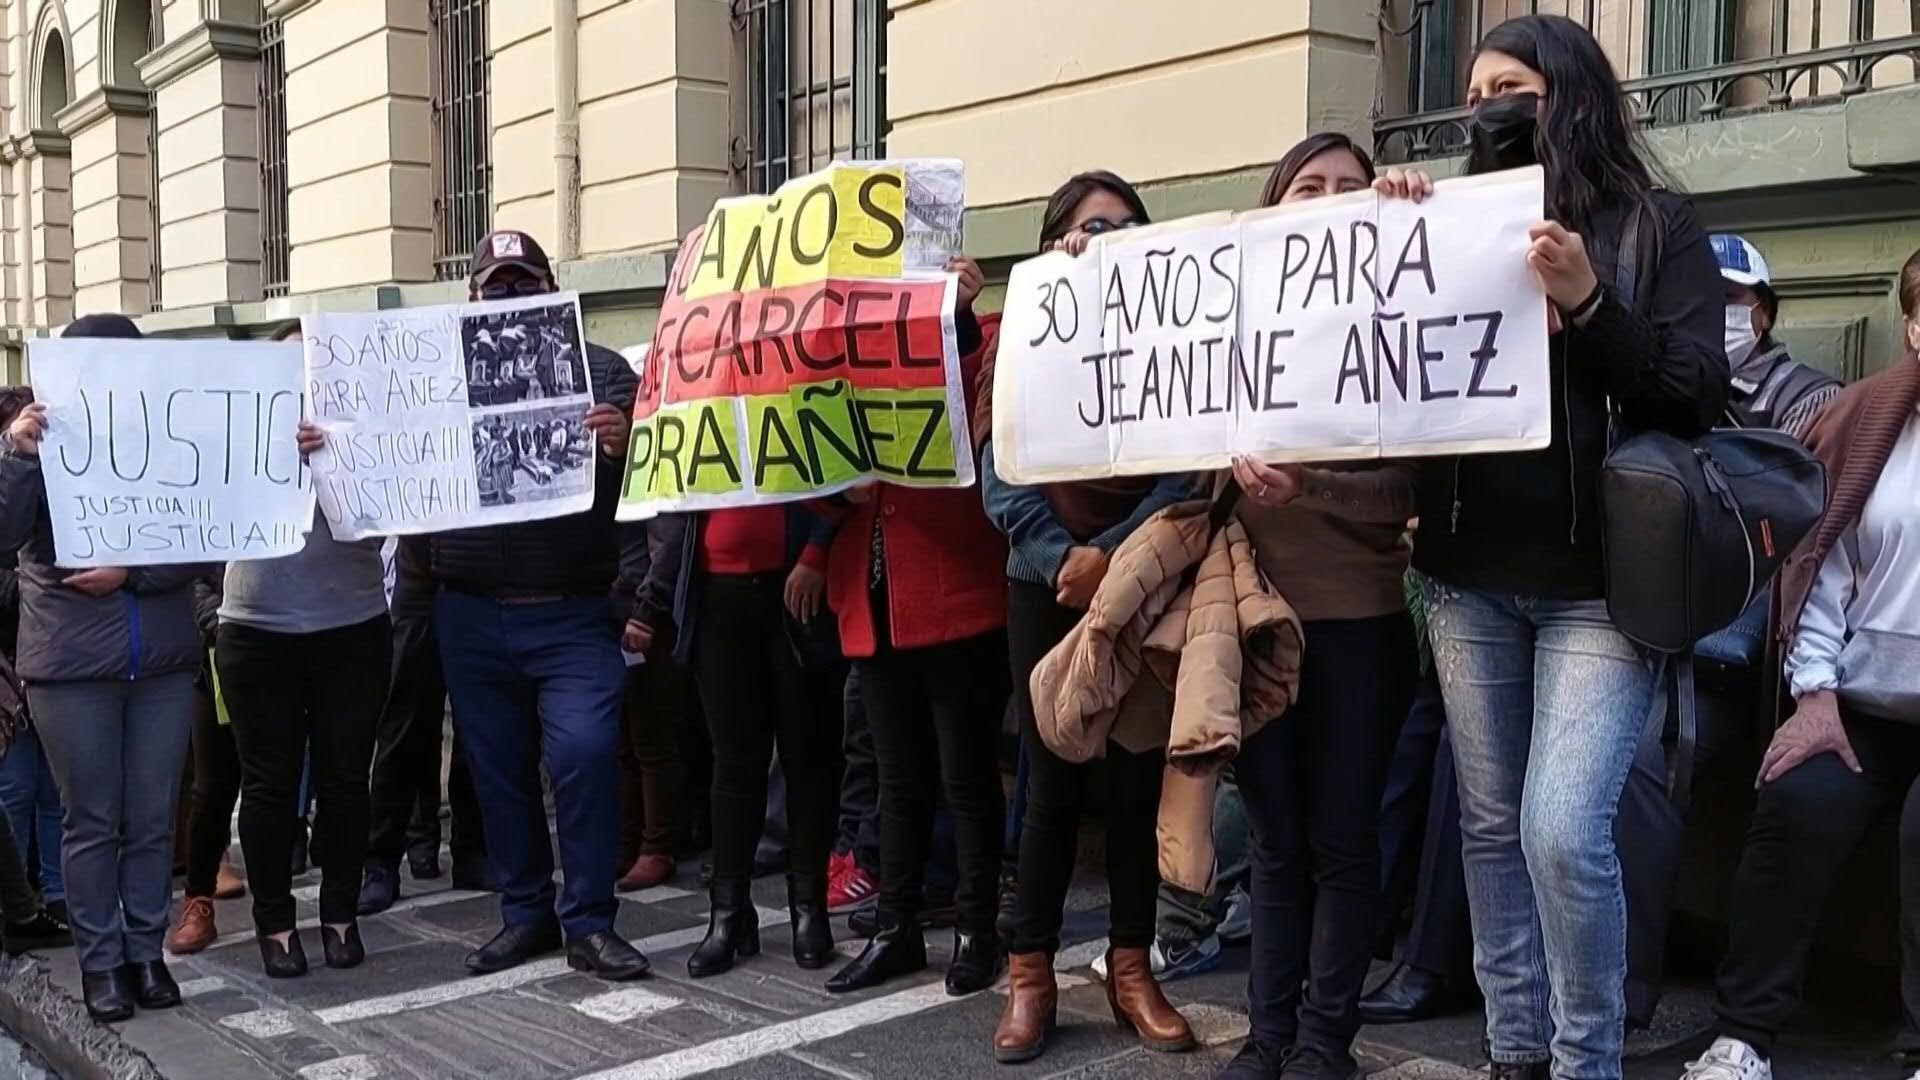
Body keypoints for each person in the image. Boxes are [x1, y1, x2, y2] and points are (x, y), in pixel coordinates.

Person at [1403, 16, 1728, 1080]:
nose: (1486, 106)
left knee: (1558, 830)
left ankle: (1583, 1062)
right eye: (1474, 90)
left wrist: (1588, 303)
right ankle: (1514, 1055)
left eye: (1512, 86)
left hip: (1601, 589)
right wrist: (1388, 241)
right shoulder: (1439, 221)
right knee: (1492, 830)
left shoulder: (1654, 226)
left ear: (1570, 94)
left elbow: (1692, 393)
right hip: (1466, 580)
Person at [1678, 248, 1920, 1080]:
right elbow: (1820, 571)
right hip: (1863, 704)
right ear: (1913, 326)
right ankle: (1743, 1037)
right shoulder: (1864, 424)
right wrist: (1814, 699)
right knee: (1796, 795)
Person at [1216, 131, 1424, 1080]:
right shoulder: (1223, 326)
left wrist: (1312, 488)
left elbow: (1404, 496)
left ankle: (1323, 1042)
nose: (1331, 197)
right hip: (1253, 625)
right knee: (1274, 840)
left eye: (1350, 185)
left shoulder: (1397, 324)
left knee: (1343, 838)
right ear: (1275, 205)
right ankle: (1266, 1036)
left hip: (1360, 626)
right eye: (1310, 185)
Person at [980, 170, 1200, 1065]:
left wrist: (1114, 557)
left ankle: (1131, 967)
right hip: (1046, 587)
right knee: (1051, 780)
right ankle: (1029, 974)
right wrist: (1059, 559)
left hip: (1138, 578)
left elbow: (1186, 470)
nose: (1105, 235)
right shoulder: (1024, 332)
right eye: (1088, 225)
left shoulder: (1175, 332)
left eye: (1124, 226)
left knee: (1135, 776)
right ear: (1052, 241)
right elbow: (998, 475)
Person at [399, 228, 650, 981]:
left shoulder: (604, 374)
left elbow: (662, 485)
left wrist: (623, 445)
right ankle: (526, 914)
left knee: (583, 756)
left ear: (553, 288)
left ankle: (591, 921)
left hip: (573, 610)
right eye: (495, 285)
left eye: (524, 282)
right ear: (470, 298)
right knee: (498, 771)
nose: (509, 296)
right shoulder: (435, 377)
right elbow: (392, 465)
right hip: (471, 609)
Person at [0, 314, 204, 1022]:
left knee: (150, 817)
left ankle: (145, 953)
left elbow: (210, 543)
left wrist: (132, 572)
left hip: (163, 663)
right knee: (92, 820)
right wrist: (19, 456)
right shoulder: (39, 439)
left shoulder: (172, 440)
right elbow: (3, 539)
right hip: (72, 668)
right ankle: (101, 963)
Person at [819, 258, 1011, 997]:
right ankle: (896, 928)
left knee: (964, 778)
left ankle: (976, 931)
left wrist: (956, 318)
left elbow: (979, 431)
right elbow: (811, 470)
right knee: (896, 781)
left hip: (952, 592)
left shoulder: (984, 334)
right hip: (873, 603)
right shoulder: (841, 352)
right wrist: (839, 487)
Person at [648, 497, 846, 978]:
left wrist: (818, 550)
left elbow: (844, 470)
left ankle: (808, 908)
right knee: (734, 762)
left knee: (807, 755)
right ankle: (729, 913)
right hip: (717, 591)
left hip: (796, 580)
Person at [216, 452, 392, 977]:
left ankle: (341, 915)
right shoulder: (235, 391)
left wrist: (340, 459)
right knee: (269, 783)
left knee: (345, 778)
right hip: (255, 623)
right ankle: (274, 923)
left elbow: (396, 513)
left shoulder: (363, 396)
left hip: (353, 619)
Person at [165, 573, 249, 954]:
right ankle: (198, 898)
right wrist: (216, 620)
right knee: (212, 785)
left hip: (291, 635)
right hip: (219, 645)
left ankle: (277, 912)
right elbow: (195, 567)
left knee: (275, 782)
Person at [1712, 234, 1841, 439]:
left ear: (1764, 312)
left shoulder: (1809, 396)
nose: (1711, 311)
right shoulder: (1668, 388)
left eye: (1728, 296)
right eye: (1699, 299)